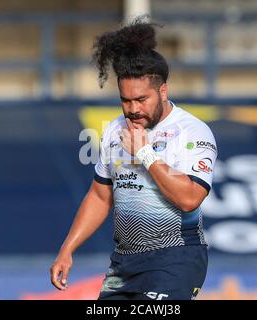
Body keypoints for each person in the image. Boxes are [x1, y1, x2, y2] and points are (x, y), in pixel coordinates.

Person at [50, 16, 217, 300]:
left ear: (162, 91)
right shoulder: (115, 130)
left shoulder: (192, 132)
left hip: (176, 259)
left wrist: (144, 153)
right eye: (125, 100)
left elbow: (190, 198)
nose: (133, 108)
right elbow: (100, 197)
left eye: (141, 99)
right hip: (125, 265)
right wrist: (67, 249)